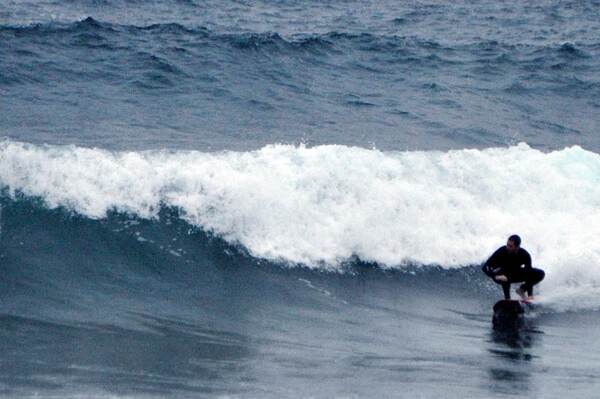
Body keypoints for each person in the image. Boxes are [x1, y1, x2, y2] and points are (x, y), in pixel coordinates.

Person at [482, 235, 545, 300]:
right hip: (500, 275)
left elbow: (529, 273)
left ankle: (522, 290)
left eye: (510, 246)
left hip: (514, 273)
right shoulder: (502, 251)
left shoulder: (524, 255)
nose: (507, 248)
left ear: (517, 247)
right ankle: (507, 298)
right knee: (505, 274)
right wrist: (495, 276)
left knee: (540, 273)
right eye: (507, 245)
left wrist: (530, 294)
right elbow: (485, 267)